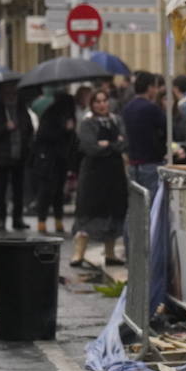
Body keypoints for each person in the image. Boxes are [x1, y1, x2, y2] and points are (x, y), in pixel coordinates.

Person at [70, 89, 127, 269]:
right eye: (97, 101)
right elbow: (90, 147)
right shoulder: (87, 123)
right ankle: (79, 253)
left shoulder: (117, 120)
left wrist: (107, 145)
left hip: (114, 173)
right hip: (93, 175)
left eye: (104, 101)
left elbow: (124, 143)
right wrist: (113, 145)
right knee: (88, 211)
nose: (102, 105)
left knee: (113, 211)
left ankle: (110, 254)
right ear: (92, 104)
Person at [0, 82, 33, 231]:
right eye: (8, 92)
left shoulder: (21, 108)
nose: (11, 95)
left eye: (13, 92)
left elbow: (28, 127)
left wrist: (26, 142)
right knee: (1, 189)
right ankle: (1, 218)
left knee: (19, 188)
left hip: (19, 153)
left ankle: (18, 218)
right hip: (1, 154)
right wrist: (4, 128)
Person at [32, 93, 76, 234]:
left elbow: (71, 140)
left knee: (59, 191)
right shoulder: (51, 116)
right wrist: (64, 129)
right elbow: (43, 135)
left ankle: (58, 219)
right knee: (46, 190)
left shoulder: (68, 116)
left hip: (61, 158)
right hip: (48, 159)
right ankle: (42, 220)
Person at [123, 71, 170, 196]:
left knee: (138, 202)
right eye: (155, 87)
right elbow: (168, 129)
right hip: (151, 163)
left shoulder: (127, 108)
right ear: (150, 88)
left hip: (133, 163)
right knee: (154, 202)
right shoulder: (151, 108)